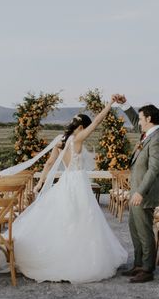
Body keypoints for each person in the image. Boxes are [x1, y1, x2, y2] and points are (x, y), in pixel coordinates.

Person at [9, 98, 127, 283]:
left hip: (65, 182)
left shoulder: (60, 141)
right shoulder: (77, 139)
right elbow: (96, 122)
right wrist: (110, 104)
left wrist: (40, 184)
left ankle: (61, 252)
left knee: (64, 218)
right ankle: (77, 259)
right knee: (83, 218)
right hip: (78, 183)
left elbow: (49, 164)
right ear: (81, 127)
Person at [113, 94, 159, 283]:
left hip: (143, 193)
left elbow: (154, 169)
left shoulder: (158, 139)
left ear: (149, 119)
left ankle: (147, 269)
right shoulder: (148, 133)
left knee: (144, 231)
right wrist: (124, 105)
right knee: (134, 229)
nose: (139, 122)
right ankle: (137, 264)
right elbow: (135, 120)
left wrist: (140, 191)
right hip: (136, 190)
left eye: (142, 118)